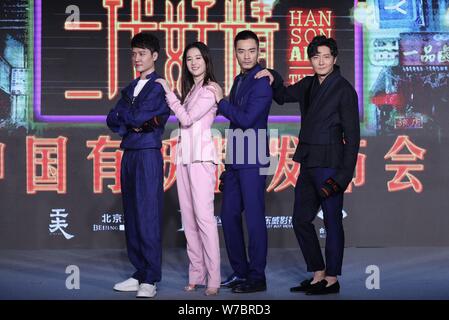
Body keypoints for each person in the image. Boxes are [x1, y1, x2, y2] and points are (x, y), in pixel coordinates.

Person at [255, 35, 360, 295]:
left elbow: (353, 137)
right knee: (300, 220)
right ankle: (318, 273)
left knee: (332, 222)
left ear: (335, 58)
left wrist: (343, 176)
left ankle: (332, 279)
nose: (321, 61)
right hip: (309, 163)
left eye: (326, 56)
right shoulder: (308, 84)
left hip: (332, 166)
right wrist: (270, 74)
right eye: (316, 57)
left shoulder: (344, 89)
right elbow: (281, 95)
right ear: (310, 60)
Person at [208, 30, 272, 294]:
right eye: (241, 51)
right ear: (235, 53)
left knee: (255, 219)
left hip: (254, 157)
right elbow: (236, 125)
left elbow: (245, 120)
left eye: (251, 50)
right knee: (228, 215)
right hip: (235, 159)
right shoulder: (239, 79)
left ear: (259, 52)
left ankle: (257, 276)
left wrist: (221, 101)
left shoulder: (261, 82)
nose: (246, 56)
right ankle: (240, 271)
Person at [106, 32, 170, 298]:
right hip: (129, 152)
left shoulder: (159, 86)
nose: (137, 58)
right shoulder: (130, 88)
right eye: (134, 53)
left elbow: (142, 116)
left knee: (147, 214)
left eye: (142, 53)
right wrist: (130, 119)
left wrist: (130, 118)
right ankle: (138, 272)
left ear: (154, 56)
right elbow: (112, 119)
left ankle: (151, 278)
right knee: (131, 213)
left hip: (147, 153)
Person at [155, 42, 220, 296]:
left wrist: (167, 92)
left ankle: (213, 277)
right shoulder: (192, 90)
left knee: (204, 221)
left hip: (202, 160)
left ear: (206, 61)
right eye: (189, 59)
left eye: (198, 58)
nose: (193, 63)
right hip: (184, 160)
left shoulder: (210, 89)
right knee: (189, 221)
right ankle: (197, 274)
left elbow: (187, 119)